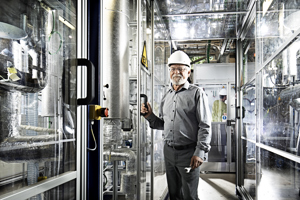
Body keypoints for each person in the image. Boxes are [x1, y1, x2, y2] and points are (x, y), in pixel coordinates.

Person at [141, 50, 211, 200]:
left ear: (188, 72)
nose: (176, 72)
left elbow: (205, 125)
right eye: (173, 68)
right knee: (174, 194)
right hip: (169, 152)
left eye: (181, 69)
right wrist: (149, 116)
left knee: (189, 195)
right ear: (169, 71)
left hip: (189, 153)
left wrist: (200, 152)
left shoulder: (197, 93)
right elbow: (163, 125)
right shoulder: (166, 95)